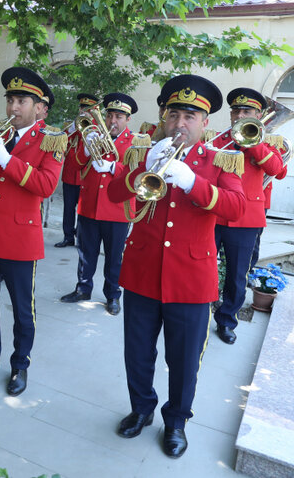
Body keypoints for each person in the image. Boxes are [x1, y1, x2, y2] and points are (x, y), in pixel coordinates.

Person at [108, 74, 245, 458]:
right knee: (137, 351)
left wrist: (191, 181)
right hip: (141, 273)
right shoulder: (143, 152)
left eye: (190, 116)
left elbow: (236, 208)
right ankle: (141, 409)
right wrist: (141, 169)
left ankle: (177, 421)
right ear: (163, 116)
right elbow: (113, 193)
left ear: (205, 123)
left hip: (189, 279)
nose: (180, 124)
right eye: (173, 114)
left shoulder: (221, 159)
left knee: (183, 359)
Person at [0, 67, 65, 396]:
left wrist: (6, 159)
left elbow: (46, 186)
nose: (13, 108)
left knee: (22, 309)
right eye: (10, 100)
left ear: (40, 107)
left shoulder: (51, 139)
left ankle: (20, 363)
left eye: (22, 101)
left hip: (20, 239)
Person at [210, 88, 284, 344]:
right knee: (204, 265)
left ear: (259, 114)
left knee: (237, 274)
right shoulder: (218, 140)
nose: (240, 115)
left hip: (246, 220)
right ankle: (199, 309)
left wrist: (253, 144)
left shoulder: (266, 143)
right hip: (214, 215)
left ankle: (227, 320)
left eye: (247, 111)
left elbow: (278, 170)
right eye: (236, 111)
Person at [60, 93, 142, 315]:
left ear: (128, 119)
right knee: (86, 254)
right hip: (89, 206)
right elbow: (75, 164)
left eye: (119, 117)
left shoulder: (136, 142)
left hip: (117, 210)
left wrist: (114, 168)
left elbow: (138, 175)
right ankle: (83, 289)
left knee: (114, 258)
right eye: (110, 115)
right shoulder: (94, 136)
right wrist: (86, 149)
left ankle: (113, 295)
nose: (113, 121)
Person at [55, 93, 98, 248]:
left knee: (83, 209)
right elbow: (62, 144)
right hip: (70, 174)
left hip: (85, 175)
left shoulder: (97, 128)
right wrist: (74, 126)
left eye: (87, 108)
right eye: (82, 107)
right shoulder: (70, 126)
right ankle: (68, 236)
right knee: (68, 208)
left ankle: (81, 237)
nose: (83, 110)